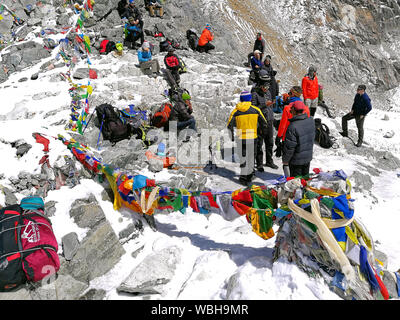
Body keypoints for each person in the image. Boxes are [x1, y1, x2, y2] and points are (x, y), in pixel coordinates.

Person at [227, 90, 268, 186]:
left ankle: (243, 177)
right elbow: (264, 123)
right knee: (251, 157)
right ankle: (249, 176)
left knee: (243, 157)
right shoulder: (255, 109)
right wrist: (262, 133)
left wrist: (232, 137)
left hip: (240, 137)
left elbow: (229, 126)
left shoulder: (235, 111)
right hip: (252, 137)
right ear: (250, 99)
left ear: (241, 99)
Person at [282, 100, 316, 177]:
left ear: (294, 110)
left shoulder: (293, 126)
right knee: (305, 181)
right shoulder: (311, 121)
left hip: (296, 161)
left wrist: (285, 161)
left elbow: (290, 147)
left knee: (296, 185)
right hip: (307, 158)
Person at [275, 86, 310, 156]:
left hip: (288, 138)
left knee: (287, 160)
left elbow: (283, 125)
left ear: (293, 94)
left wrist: (279, 137)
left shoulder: (287, 108)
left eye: (290, 93)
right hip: (300, 138)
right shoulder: (306, 109)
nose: (288, 94)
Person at [251, 81, 278, 170]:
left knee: (270, 142)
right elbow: (254, 109)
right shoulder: (254, 94)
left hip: (269, 120)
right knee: (259, 143)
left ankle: (269, 161)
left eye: (267, 87)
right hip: (260, 122)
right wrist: (264, 105)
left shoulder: (268, 92)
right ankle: (259, 164)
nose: (266, 89)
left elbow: (269, 107)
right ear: (260, 86)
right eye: (264, 87)